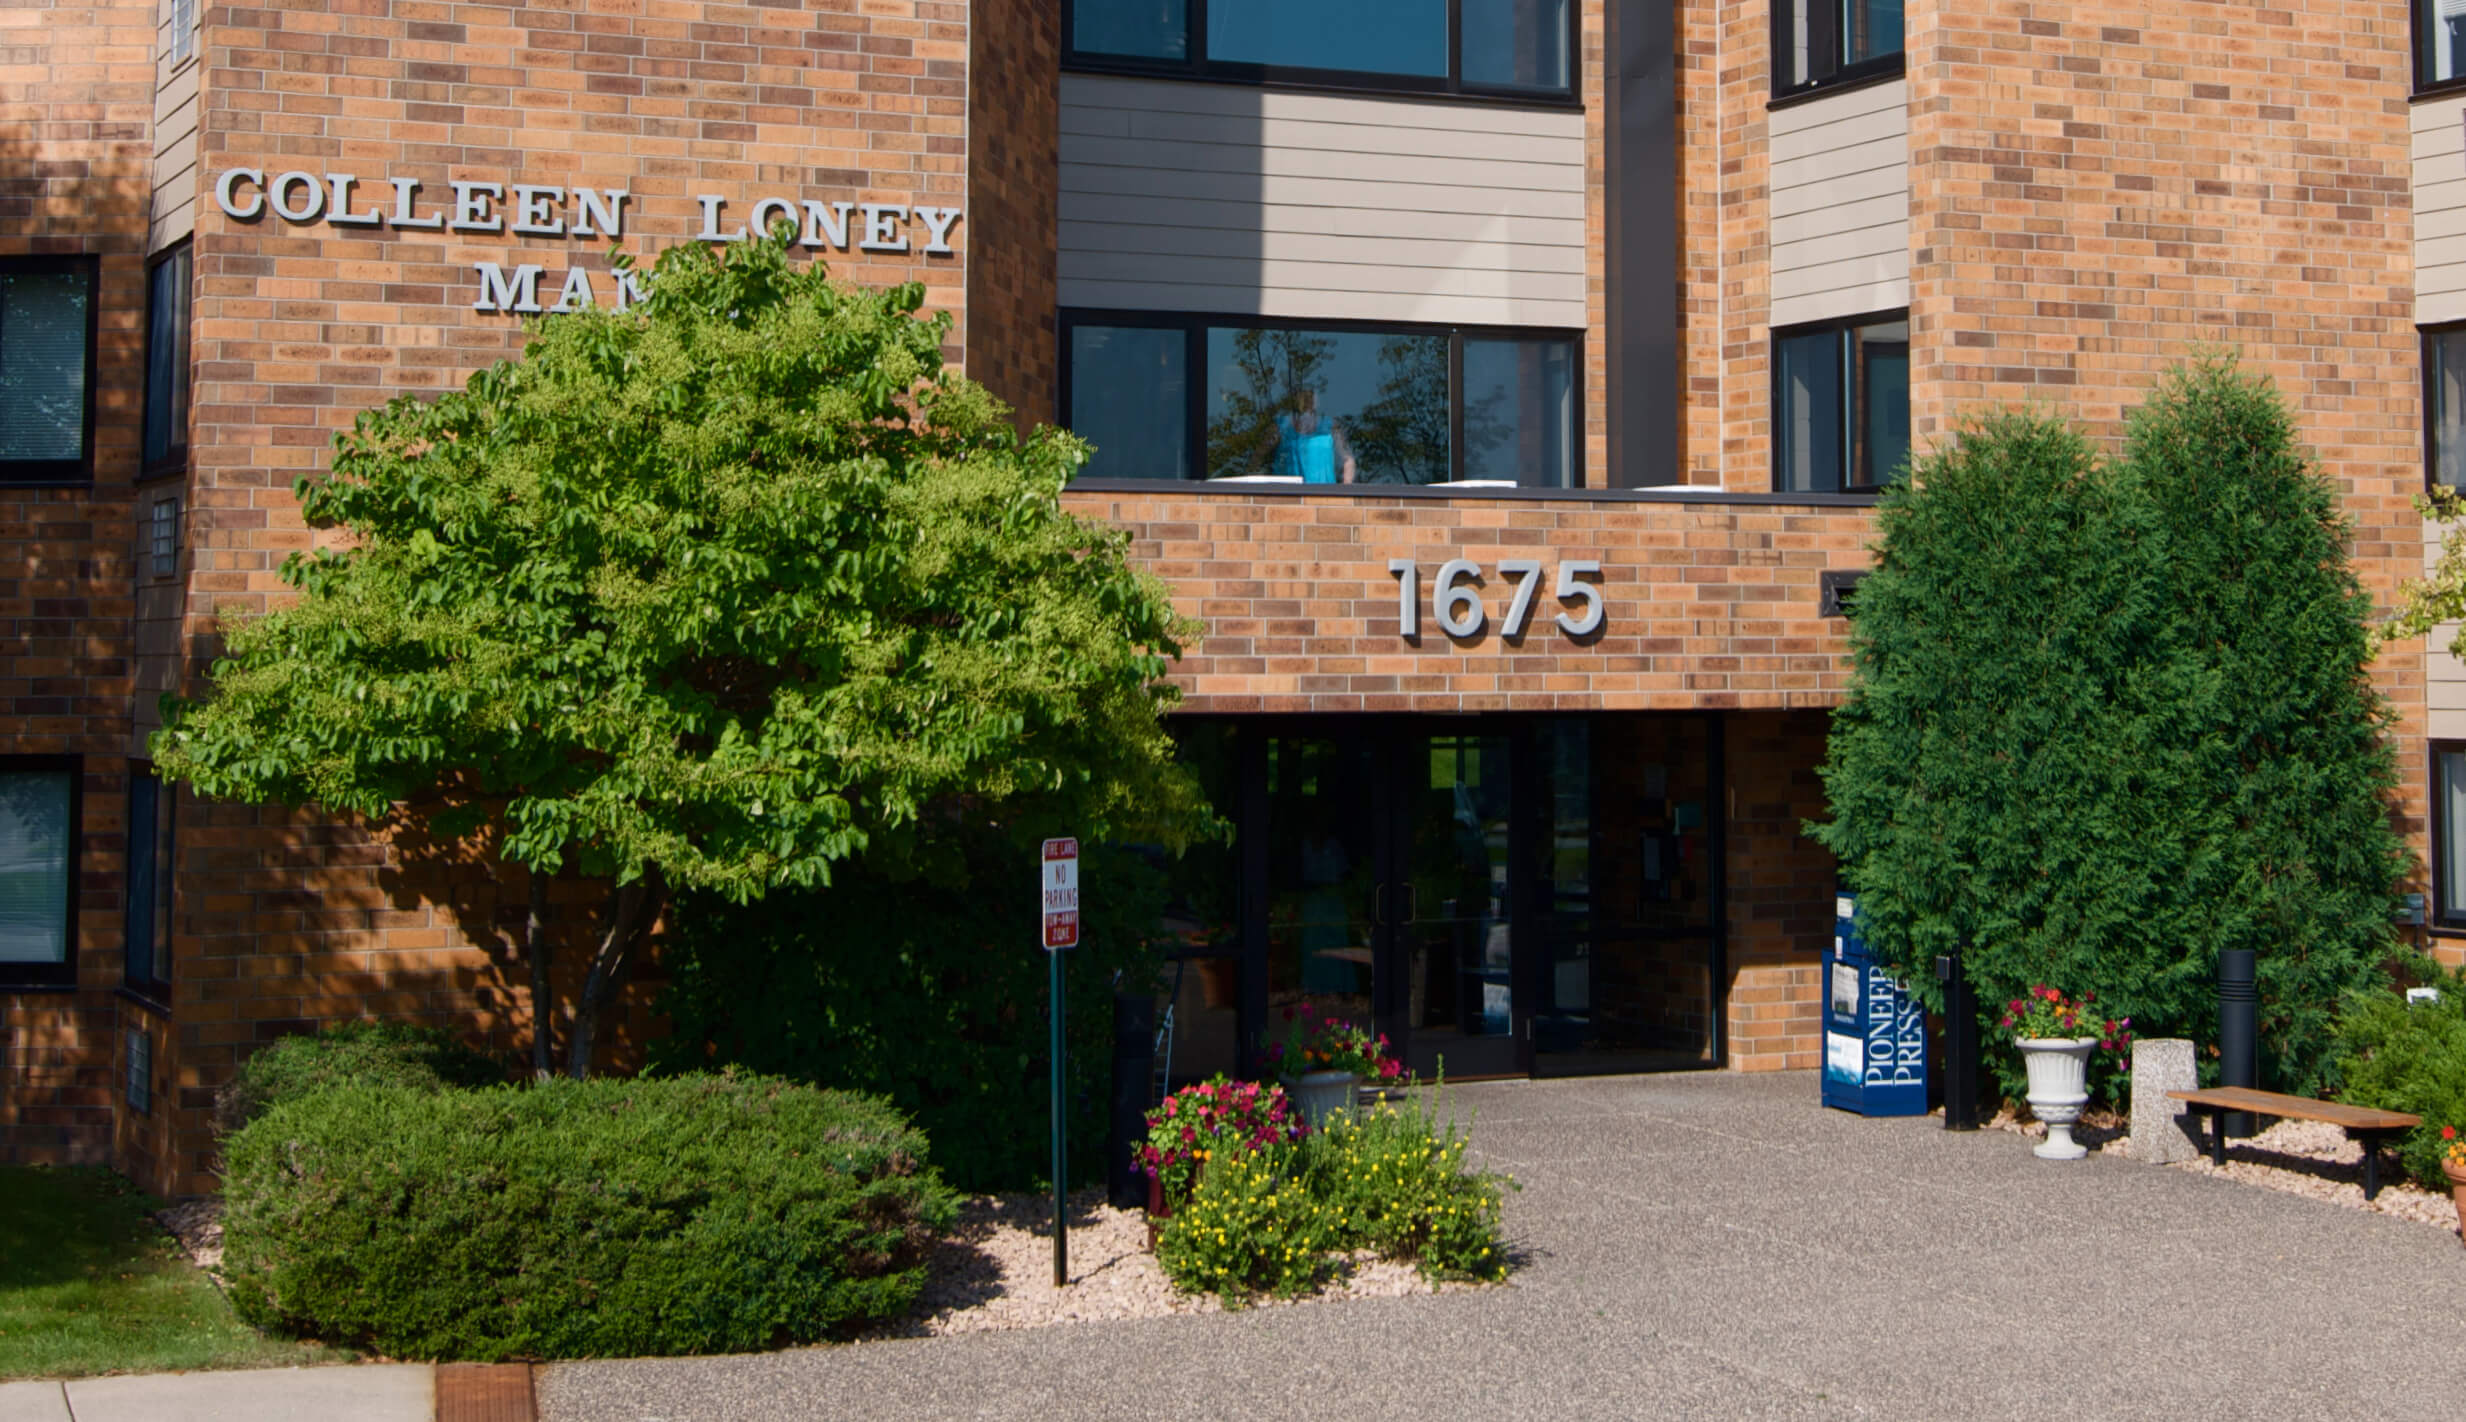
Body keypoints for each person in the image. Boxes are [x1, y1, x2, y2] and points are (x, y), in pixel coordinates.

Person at [1258, 388, 1356, 484]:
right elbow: (1259, 456)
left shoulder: (1330, 427)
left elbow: (1348, 459)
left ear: (1317, 401)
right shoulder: (1282, 427)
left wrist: (1345, 490)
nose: (1307, 399)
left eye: (1311, 395)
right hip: (1287, 495)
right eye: (1303, 394)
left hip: (1325, 494)